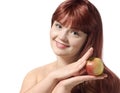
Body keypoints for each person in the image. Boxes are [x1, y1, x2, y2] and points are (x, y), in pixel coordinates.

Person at [20, 0, 120, 93]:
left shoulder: (107, 83)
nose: (62, 37)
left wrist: (63, 87)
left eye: (75, 33)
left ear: (88, 39)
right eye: (59, 26)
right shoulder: (34, 77)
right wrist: (53, 78)